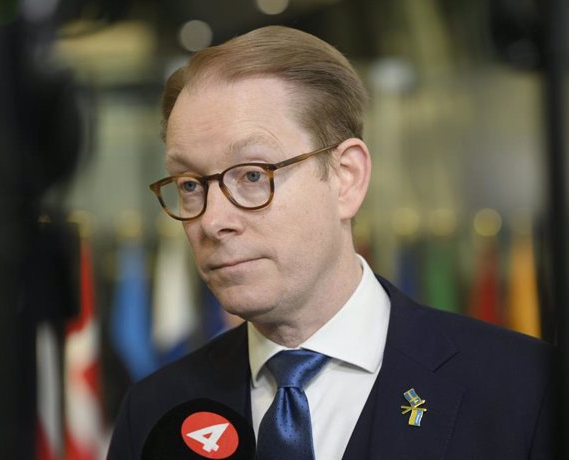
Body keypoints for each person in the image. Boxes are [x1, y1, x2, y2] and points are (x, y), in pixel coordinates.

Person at [107, 25, 553, 459]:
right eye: (189, 184)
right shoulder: (153, 413)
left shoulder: (525, 389)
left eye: (252, 175)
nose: (212, 221)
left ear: (347, 178)